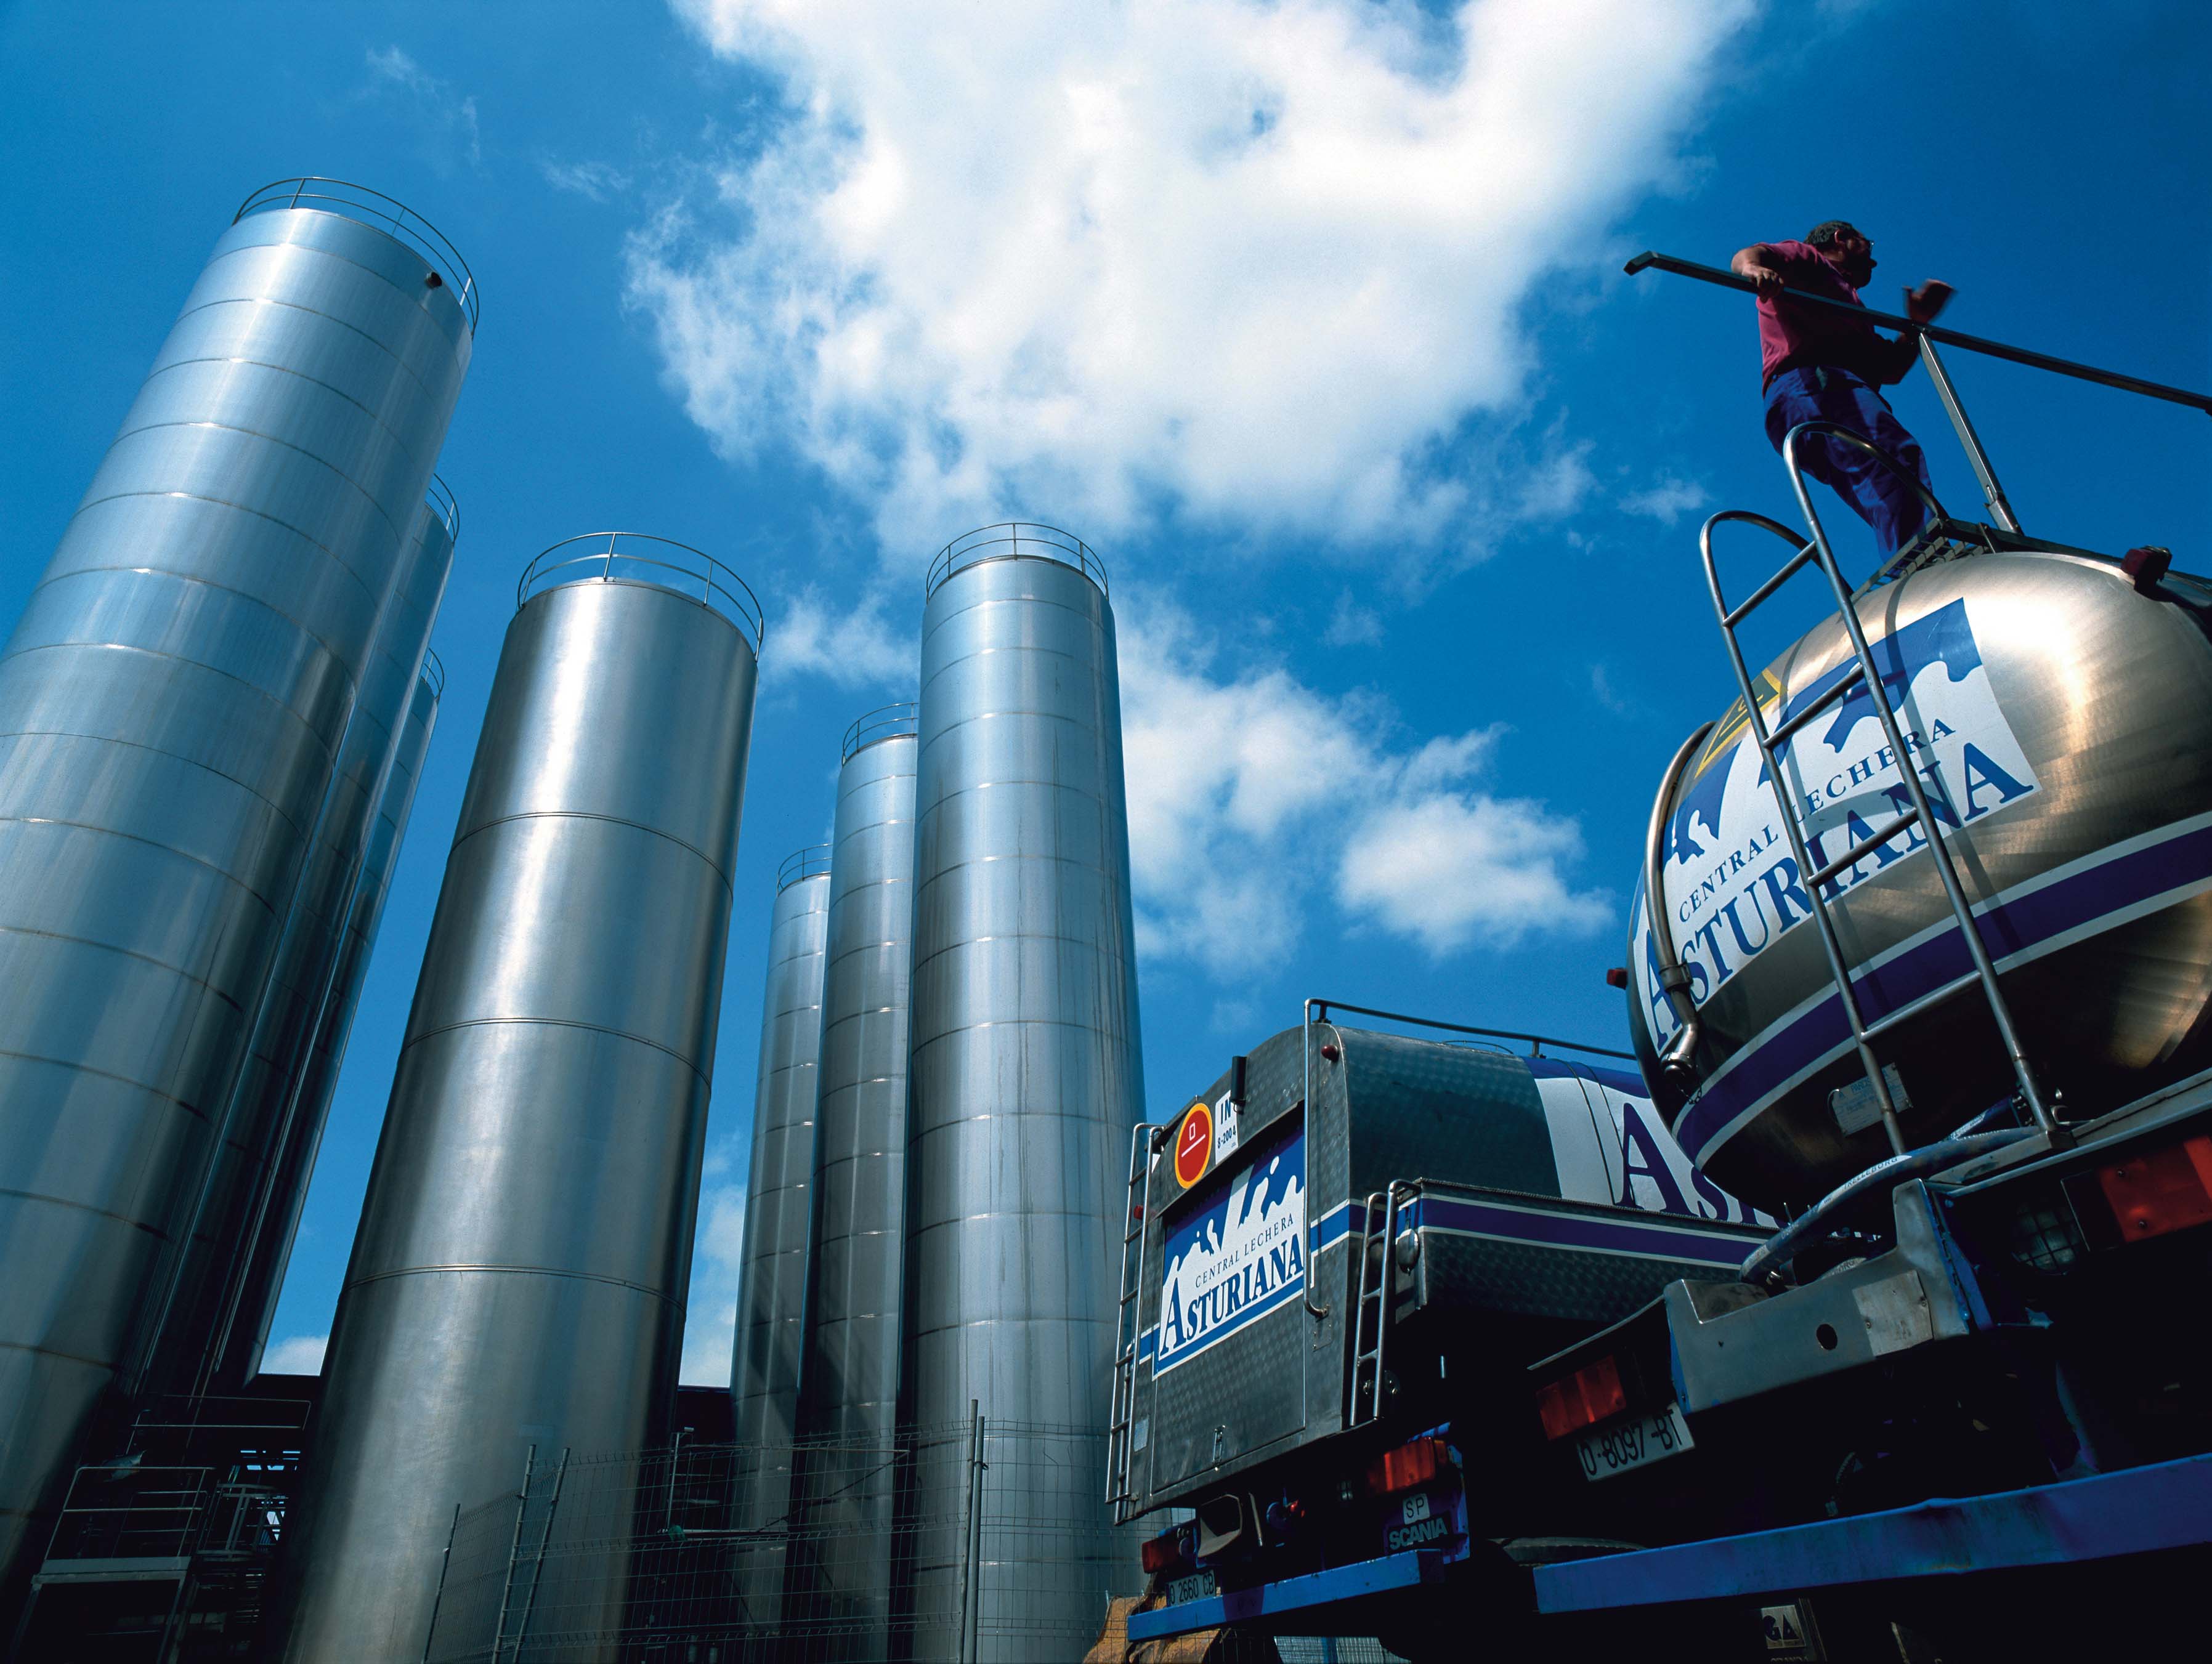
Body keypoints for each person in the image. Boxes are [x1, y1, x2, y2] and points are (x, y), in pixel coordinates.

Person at [1732, 222, 1955, 557]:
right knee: (1892, 457)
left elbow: (1891, 370)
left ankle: (1914, 556)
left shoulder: (1853, 311)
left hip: (1804, 400)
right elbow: (1753, 254)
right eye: (1868, 244)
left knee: (1879, 481)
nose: (1874, 261)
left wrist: (1916, 325)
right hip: (1814, 384)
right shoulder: (1809, 259)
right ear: (1842, 240)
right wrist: (1753, 269)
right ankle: (1923, 556)